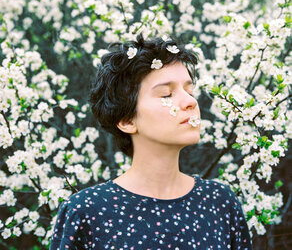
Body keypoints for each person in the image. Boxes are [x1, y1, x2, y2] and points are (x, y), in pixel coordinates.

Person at [50, 35, 253, 249]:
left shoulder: (219, 202)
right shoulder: (87, 211)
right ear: (127, 120)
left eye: (190, 90)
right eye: (166, 94)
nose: (191, 102)